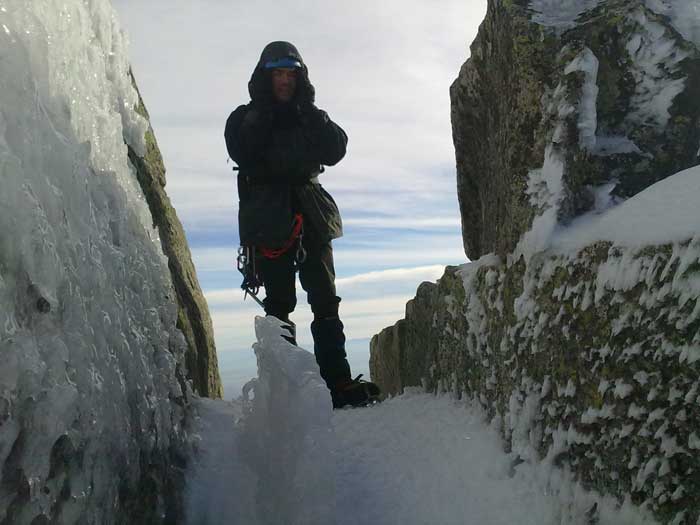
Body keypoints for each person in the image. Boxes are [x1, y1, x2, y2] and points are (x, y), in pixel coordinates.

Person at [224, 41, 380, 408]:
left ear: (299, 77)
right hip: (271, 219)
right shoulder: (246, 117)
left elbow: (336, 149)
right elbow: (240, 149)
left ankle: (337, 384)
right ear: (266, 77)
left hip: (308, 215)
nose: (284, 81)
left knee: (324, 298)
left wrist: (310, 114)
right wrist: (265, 115)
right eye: (278, 73)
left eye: (290, 74)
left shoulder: (308, 116)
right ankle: (289, 393)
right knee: (280, 305)